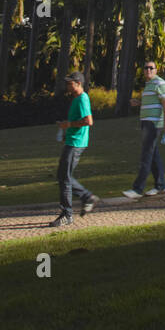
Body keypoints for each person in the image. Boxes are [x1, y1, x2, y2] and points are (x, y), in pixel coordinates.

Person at [50, 71, 97, 228]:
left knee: (64, 177)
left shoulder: (83, 99)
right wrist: (66, 130)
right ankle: (86, 197)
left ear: (78, 83)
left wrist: (68, 125)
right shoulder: (76, 99)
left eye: (70, 83)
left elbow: (88, 121)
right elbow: (78, 120)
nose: (67, 86)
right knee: (63, 176)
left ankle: (67, 214)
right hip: (72, 140)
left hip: (76, 143)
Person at [122, 60, 165, 199]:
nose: (148, 70)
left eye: (151, 68)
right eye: (146, 68)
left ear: (156, 70)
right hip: (145, 122)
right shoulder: (148, 85)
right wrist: (139, 103)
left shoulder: (160, 83)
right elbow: (154, 102)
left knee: (146, 155)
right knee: (153, 155)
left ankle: (138, 189)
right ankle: (160, 186)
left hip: (154, 124)